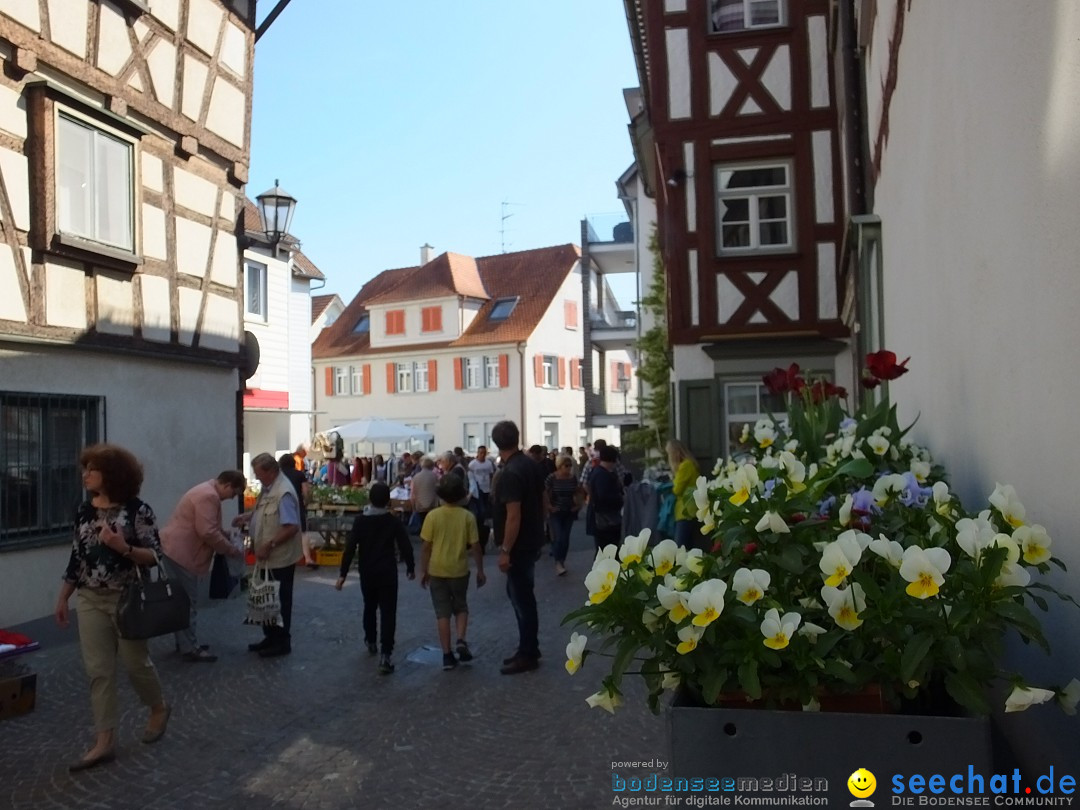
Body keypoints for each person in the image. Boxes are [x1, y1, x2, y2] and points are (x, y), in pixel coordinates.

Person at [55, 444, 170, 771]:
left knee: (136, 664)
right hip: (90, 598)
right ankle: (104, 741)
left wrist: (123, 547)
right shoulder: (84, 511)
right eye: (85, 468)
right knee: (99, 672)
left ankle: (158, 706)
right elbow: (77, 558)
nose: (85, 474)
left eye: (91, 469)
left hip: (128, 598)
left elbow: (155, 556)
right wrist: (64, 596)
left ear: (112, 474)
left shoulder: (137, 510)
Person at [159, 470, 247, 662]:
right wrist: (229, 549)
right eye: (233, 494)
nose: (231, 498)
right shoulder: (209, 496)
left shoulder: (205, 491)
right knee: (188, 601)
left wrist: (224, 534)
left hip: (175, 550)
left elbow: (208, 527)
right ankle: (190, 647)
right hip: (182, 553)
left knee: (181, 600)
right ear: (227, 485)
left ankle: (184, 642)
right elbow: (207, 532)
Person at [335, 482, 415, 675]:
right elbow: (405, 545)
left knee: (369, 606)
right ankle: (386, 654)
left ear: (370, 499)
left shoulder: (361, 521)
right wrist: (411, 567)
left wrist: (343, 574)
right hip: (387, 571)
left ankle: (370, 639)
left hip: (367, 571)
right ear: (388, 500)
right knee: (388, 612)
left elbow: (350, 547)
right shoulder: (393, 521)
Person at [492, 420, 545, 675]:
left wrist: (505, 550)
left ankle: (528, 652)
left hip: (519, 544)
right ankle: (528, 648)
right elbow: (543, 499)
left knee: (521, 599)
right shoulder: (530, 465)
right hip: (532, 539)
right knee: (522, 596)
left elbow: (514, 515)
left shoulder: (511, 472)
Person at [235, 453, 301, 658]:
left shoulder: (284, 492)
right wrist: (247, 517)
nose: (256, 477)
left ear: (271, 472)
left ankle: (282, 641)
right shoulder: (269, 489)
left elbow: (290, 526)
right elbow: (264, 513)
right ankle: (270, 637)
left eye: (259, 473)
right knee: (267, 597)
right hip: (267, 558)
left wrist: (270, 544)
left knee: (280, 599)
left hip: (279, 557)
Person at [419, 474, 485, 670]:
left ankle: (447, 655)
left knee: (442, 613)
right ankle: (461, 639)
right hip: (459, 569)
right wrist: (480, 570)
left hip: (437, 569)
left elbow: (425, 547)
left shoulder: (433, 516)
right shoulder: (467, 517)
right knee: (461, 606)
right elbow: (475, 546)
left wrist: (424, 570)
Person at [545, 455, 584, 577]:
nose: (568, 468)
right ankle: (558, 562)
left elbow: (578, 491)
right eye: (566, 466)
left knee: (566, 538)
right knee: (559, 537)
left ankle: (562, 561)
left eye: (570, 465)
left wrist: (578, 505)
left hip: (569, 511)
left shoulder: (572, 478)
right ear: (559, 466)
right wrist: (549, 506)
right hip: (556, 511)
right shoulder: (552, 478)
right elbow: (544, 492)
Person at [278, 452, 314, 569]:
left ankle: (286, 558)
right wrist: (306, 502)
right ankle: (308, 558)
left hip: (281, 506)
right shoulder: (299, 475)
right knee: (303, 532)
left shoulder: (278, 475)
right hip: (298, 506)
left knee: (283, 530)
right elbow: (306, 491)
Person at [588, 445, 625, 553]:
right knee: (608, 549)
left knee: (603, 549)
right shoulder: (603, 475)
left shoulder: (597, 472)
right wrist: (620, 499)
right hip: (606, 518)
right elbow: (604, 496)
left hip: (601, 518)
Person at [668, 439, 703, 549]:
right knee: (688, 546)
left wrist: (673, 476)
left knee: (679, 547)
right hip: (690, 509)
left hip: (685, 510)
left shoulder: (685, 466)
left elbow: (677, 489)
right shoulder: (689, 464)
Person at [467, 445, 496, 549]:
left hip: (487, 490)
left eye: (484, 453)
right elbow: (470, 478)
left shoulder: (489, 464)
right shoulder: (473, 464)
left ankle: (484, 527)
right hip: (477, 491)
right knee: (480, 511)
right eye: (480, 452)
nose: (482, 454)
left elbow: (492, 476)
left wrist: (492, 488)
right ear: (477, 453)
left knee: (486, 512)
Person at [409, 456, 439, 534]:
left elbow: (412, 494)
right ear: (432, 466)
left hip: (420, 506)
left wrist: (413, 508)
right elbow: (438, 490)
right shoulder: (434, 476)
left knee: (423, 525)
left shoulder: (416, 477)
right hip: (432, 506)